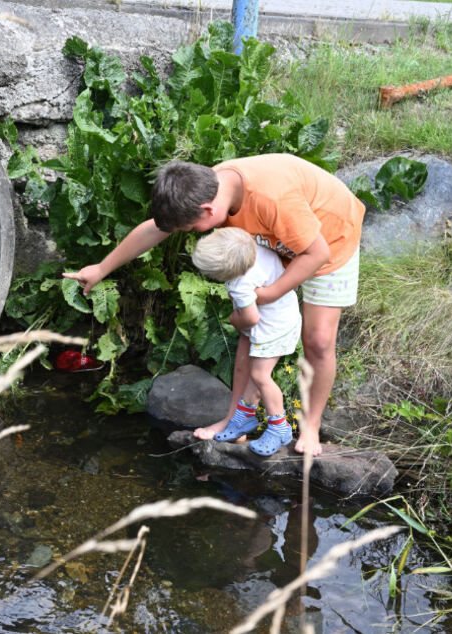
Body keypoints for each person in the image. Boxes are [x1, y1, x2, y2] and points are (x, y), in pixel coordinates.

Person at [63, 154, 365, 455]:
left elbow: (317, 254)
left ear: (208, 210)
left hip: (329, 240)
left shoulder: (271, 198)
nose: (195, 233)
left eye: (193, 229)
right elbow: (156, 228)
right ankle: (238, 418)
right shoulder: (206, 189)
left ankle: (311, 426)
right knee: (252, 331)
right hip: (280, 242)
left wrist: (270, 293)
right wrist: (101, 268)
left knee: (318, 341)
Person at [190, 227, 301, 455]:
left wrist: (234, 319)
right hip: (284, 317)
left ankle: (279, 427)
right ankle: (244, 416)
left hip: (272, 329)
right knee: (254, 372)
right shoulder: (257, 247)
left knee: (261, 376)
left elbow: (250, 318)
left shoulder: (239, 284)